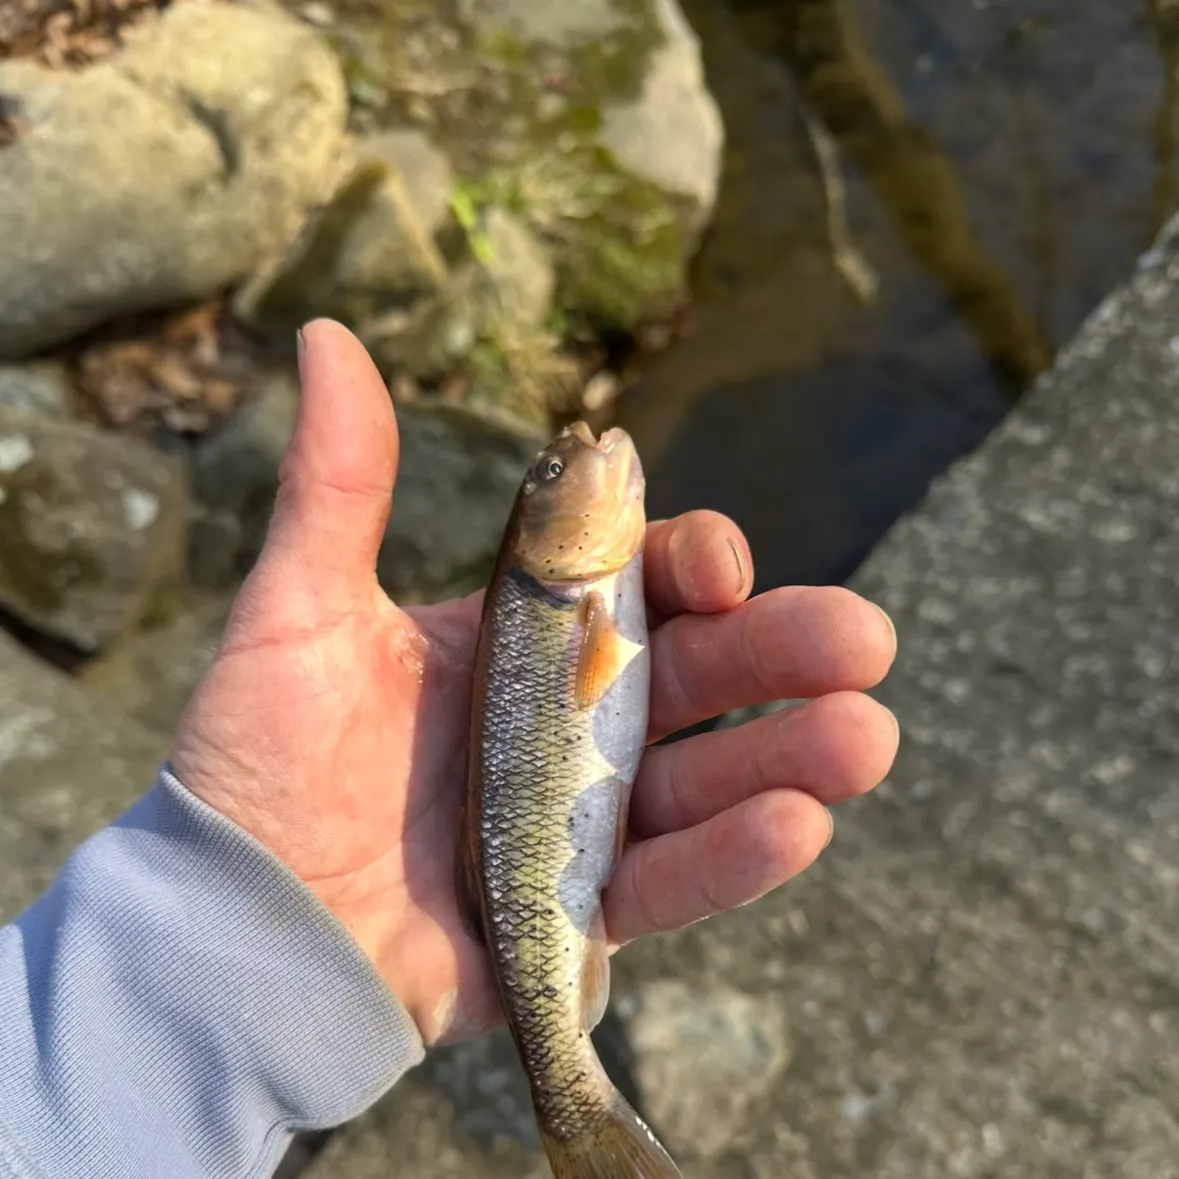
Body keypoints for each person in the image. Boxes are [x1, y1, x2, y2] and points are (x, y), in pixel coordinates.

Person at [0, 320, 900, 1178]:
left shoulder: (564, 596)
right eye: (555, 470)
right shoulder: (560, 601)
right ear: (535, 537)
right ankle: (576, 1103)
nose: (576, 451)